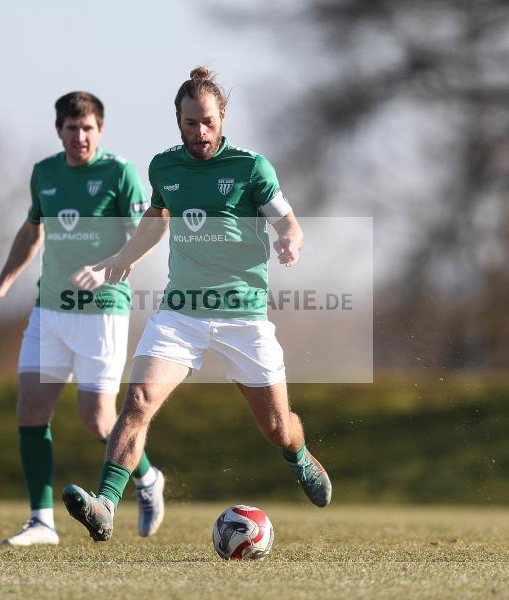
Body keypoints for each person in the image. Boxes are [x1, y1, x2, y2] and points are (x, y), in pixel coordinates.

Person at [61, 68, 331, 542]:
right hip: (180, 313)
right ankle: (105, 505)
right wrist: (117, 261)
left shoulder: (251, 168)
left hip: (244, 319)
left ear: (222, 117)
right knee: (138, 400)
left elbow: (288, 223)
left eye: (207, 122)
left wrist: (289, 240)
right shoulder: (164, 167)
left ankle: (299, 455)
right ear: (178, 121)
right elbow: (155, 220)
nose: (199, 133)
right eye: (190, 123)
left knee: (275, 427)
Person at [0, 91, 165, 546]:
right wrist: (1, 284)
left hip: (102, 312)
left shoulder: (120, 174)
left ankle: (148, 478)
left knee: (98, 420)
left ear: (101, 130)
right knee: (31, 406)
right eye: (73, 128)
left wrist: (107, 267)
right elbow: (32, 229)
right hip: (49, 310)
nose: (81, 136)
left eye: (89, 128)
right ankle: (42, 521)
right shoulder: (45, 173)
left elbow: (146, 234)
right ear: (59, 130)